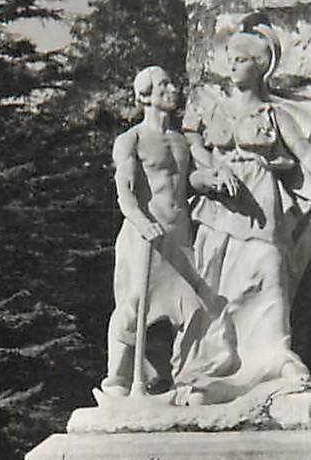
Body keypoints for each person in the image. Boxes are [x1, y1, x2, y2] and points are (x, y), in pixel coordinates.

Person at [190, 21, 311, 391]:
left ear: (262, 66)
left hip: (261, 201)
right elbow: (196, 148)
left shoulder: (274, 115)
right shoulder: (215, 110)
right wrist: (210, 170)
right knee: (215, 276)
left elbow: (307, 153)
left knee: (269, 273)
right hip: (219, 204)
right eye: (231, 59)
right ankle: (217, 358)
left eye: (243, 59)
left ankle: (276, 357)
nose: (233, 67)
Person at [102, 67, 239, 397]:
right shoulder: (131, 140)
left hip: (179, 235)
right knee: (135, 306)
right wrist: (140, 222)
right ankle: (118, 379)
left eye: (170, 82)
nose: (171, 89)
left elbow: (191, 177)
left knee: (192, 307)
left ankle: (184, 375)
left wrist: (212, 178)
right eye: (163, 84)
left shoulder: (181, 140)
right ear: (145, 94)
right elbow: (125, 191)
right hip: (144, 235)